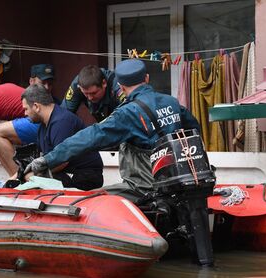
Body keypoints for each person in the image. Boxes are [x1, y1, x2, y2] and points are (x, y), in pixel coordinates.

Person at [26, 59, 201, 202]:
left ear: (122, 87)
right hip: (177, 180)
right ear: (146, 79)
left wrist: (48, 159)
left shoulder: (127, 113)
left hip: (144, 187)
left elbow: (90, 137)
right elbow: (194, 129)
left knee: (90, 200)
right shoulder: (171, 102)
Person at [22, 84, 103, 190]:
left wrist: (34, 175)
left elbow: (62, 161)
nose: (25, 113)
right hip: (65, 172)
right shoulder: (42, 126)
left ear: (36, 106)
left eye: (26, 109)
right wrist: (17, 176)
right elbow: (41, 158)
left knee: (36, 183)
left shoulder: (62, 121)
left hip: (85, 175)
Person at [61, 65, 125, 122]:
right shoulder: (77, 85)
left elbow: (130, 113)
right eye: (86, 93)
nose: (90, 98)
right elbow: (64, 115)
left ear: (104, 83)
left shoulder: (117, 85)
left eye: (94, 93)